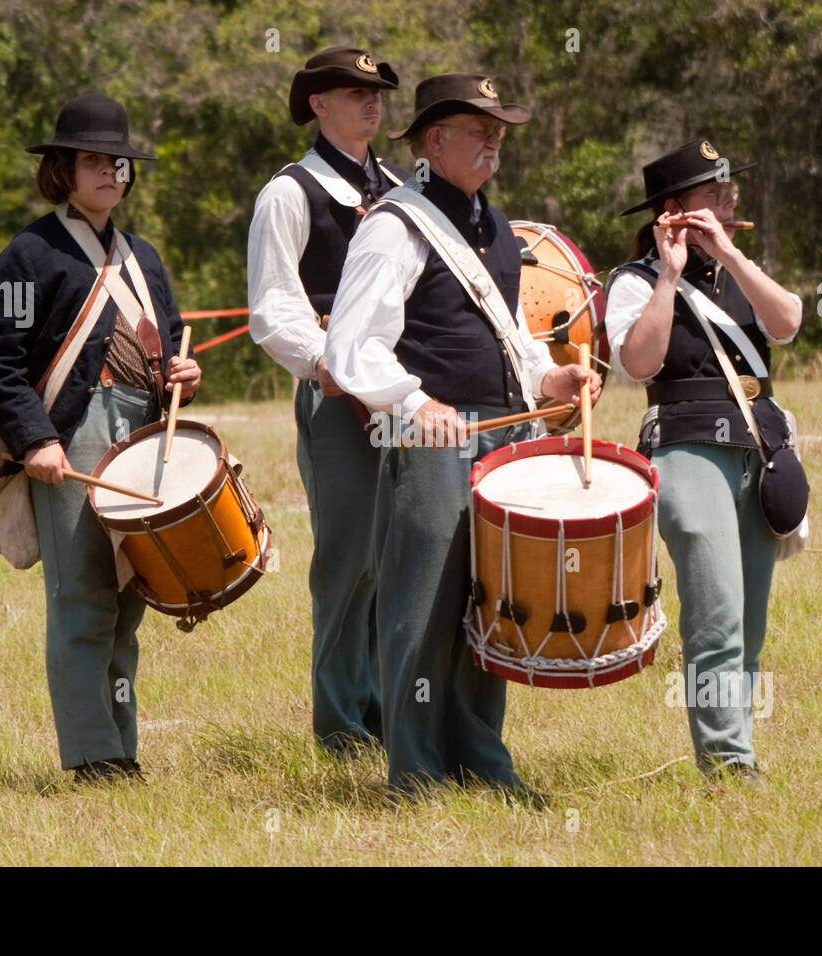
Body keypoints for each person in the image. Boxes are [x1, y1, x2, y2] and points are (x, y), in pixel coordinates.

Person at [324, 73, 600, 800]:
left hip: (503, 437)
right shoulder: (394, 225)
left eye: (499, 131)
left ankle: (483, 761)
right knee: (421, 608)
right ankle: (414, 774)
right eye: (480, 130)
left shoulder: (496, 226)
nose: (495, 142)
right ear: (433, 140)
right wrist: (416, 404)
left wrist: (550, 382)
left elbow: (512, 335)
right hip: (433, 438)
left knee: (492, 605)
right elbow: (353, 347)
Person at [0, 94, 201, 783]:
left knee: (131, 597)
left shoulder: (144, 256)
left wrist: (182, 376)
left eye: (120, 164)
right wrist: (36, 440)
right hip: (70, 436)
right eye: (95, 161)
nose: (112, 173)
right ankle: (92, 757)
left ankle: (120, 749)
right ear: (62, 170)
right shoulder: (29, 252)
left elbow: (163, 349)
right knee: (83, 599)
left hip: (137, 432)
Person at [605, 137, 802, 784]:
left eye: (730, 191)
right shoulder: (632, 282)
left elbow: (788, 322)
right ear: (673, 210)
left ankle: (733, 750)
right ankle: (728, 764)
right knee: (715, 611)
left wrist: (731, 255)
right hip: (685, 449)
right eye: (714, 193)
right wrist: (667, 274)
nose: (730, 200)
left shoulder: (736, 267)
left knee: (748, 619)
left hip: (756, 446)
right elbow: (638, 364)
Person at [246, 46, 405, 755]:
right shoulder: (290, 192)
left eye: (376, 93)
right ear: (317, 104)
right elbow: (272, 307)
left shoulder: (402, 188)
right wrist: (322, 364)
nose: (371, 102)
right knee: (349, 561)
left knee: (402, 553)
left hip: (406, 396)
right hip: (336, 399)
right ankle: (342, 726)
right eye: (352, 92)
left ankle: (390, 713)